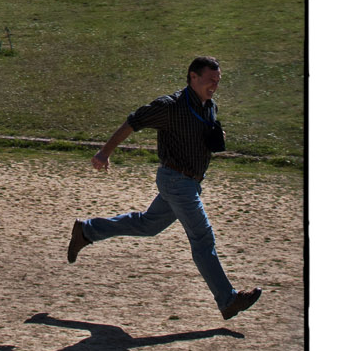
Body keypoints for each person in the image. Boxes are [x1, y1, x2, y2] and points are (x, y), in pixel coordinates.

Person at [66, 56, 261, 320]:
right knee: (202, 238)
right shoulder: (170, 106)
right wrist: (104, 153)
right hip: (176, 181)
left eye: (218, 80)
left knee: (148, 225)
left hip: (190, 182)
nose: (215, 84)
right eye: (210, 79)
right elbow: (132, 122)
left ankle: (87, 230)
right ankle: (228, 300)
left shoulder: (209, 106)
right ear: (193, 77)